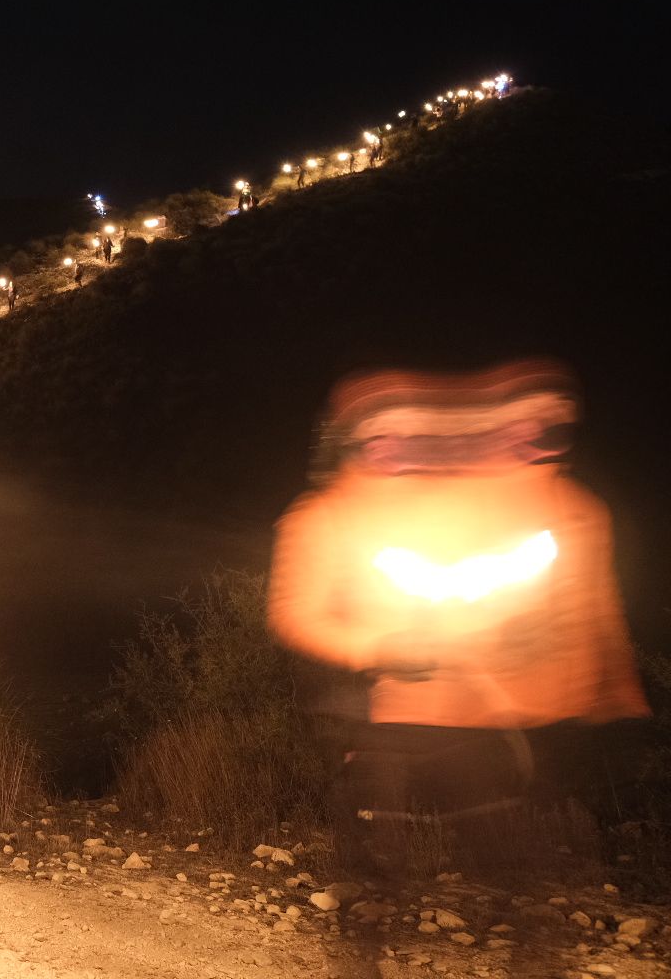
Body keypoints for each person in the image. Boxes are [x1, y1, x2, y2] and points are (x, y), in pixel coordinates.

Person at [268, 361, 649, 875]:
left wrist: (601, 683)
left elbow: (578, 594)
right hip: (377, 717)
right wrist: (379, 648)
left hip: (475, 717)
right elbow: (294, 612)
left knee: (501, 851)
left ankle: (524, 934)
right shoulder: (325, 516)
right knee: (377, 860)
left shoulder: (525, 512)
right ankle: (368, 921)